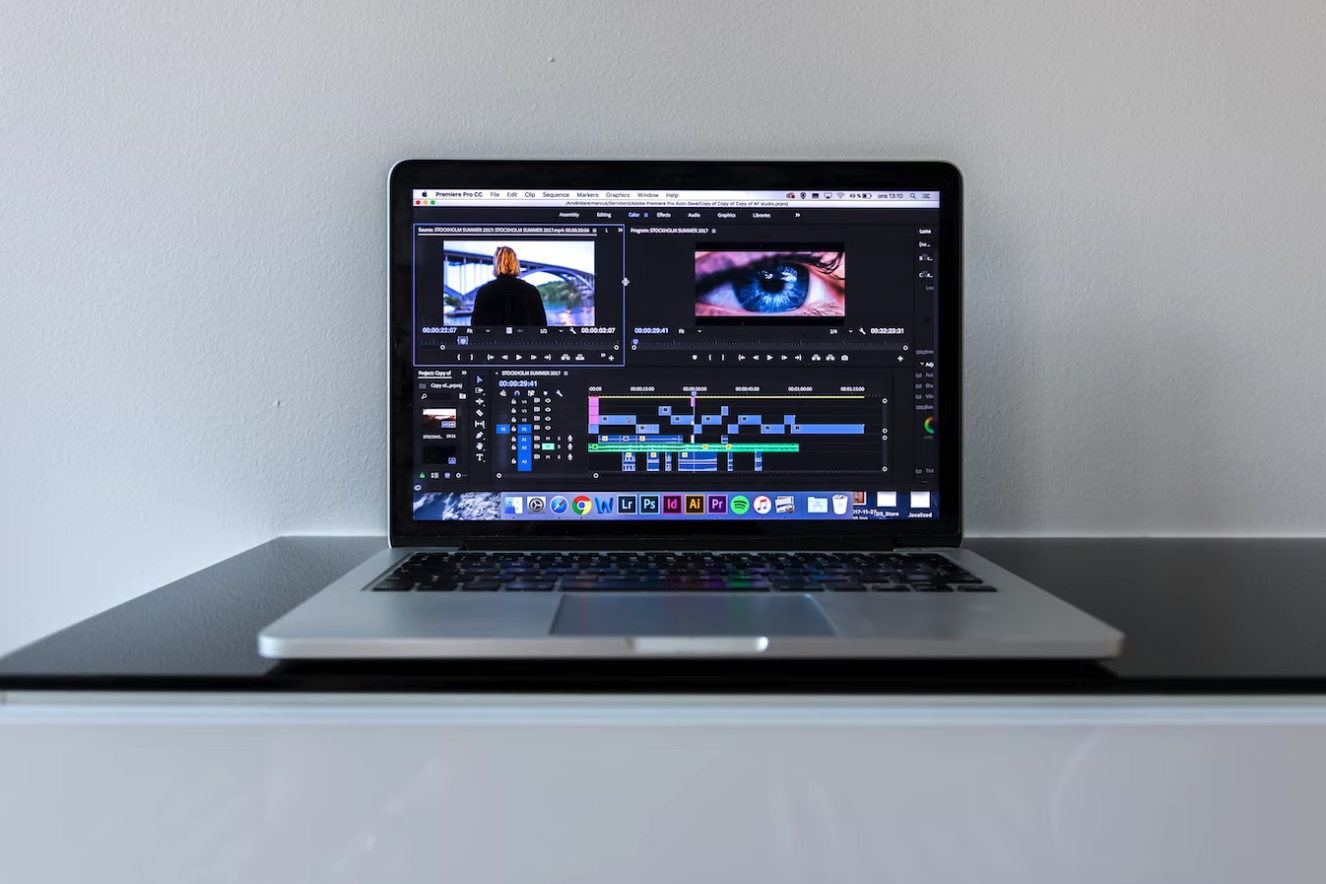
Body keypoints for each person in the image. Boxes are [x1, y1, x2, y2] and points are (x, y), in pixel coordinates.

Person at [469, 246, 547, 326]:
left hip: (494, 338)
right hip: (525, 338)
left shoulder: (484, 292)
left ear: (496, 263)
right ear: (516, 263)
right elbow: (542, 326)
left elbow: (476, 328)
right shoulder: (532, 291)